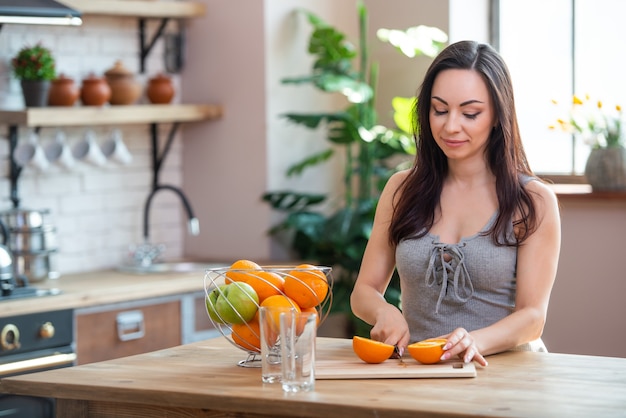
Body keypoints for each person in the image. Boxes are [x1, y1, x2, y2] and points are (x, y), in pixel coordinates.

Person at [350, 40, 561, 367]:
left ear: (496, 115)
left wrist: (474, 341)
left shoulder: (533, 201)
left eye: (470, 113)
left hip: (505, 374)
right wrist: (384, 311)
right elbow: (364, 290)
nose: (451, 126)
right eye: (440, 109)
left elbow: (533, 317)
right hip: (421, 375)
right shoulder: (400, 189)